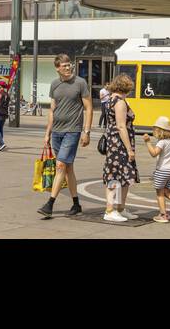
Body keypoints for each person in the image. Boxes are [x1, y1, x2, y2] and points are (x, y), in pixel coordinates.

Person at [37, 54, 92, 219]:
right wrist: (47, 133)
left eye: (69, 65)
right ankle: (76, 204)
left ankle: (50, 204)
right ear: (57, 68)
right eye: (64, 66)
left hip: (72, 130)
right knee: (68, 168)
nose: (68, 68)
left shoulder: (80, 83)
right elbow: (52, 110)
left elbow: (88, 108)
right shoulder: (54, 84)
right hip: (57, 132)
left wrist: (86, 132)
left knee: (60, 165)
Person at [100, 73, 139, 222]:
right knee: (115, 175)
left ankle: (120, 208)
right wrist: (129, 149)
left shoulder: (111, 99)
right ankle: (110, 210)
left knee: (123, 176)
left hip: (114, 142)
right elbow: (121, 126)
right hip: (119, 144)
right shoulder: (120, 102)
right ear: (126, 87)